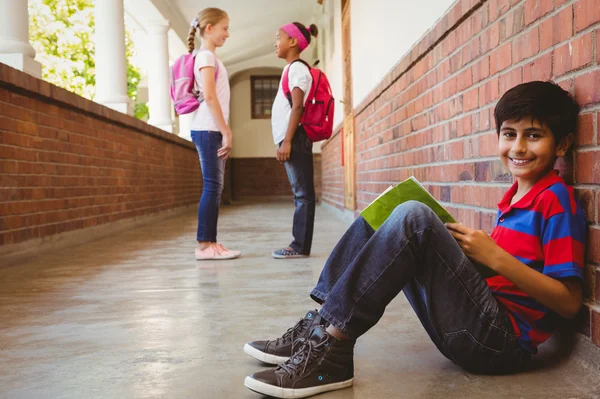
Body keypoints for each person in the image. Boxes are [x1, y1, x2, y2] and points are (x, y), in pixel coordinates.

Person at [243, 81, 586, 398]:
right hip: (475, 327)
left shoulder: (556, 200)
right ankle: (317, 330)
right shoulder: (513, 198)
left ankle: (332, 352)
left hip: (499, 344)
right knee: (392, 210)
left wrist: (495, 257)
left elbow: (569, 302)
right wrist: (473, 254)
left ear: (564, 143)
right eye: (509, 134)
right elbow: (501, 277)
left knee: (413, 218)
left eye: (534, 135)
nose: (519, 147)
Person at [188, 8, 240, 260]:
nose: (227, 34)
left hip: (210, 128)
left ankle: (210, 243)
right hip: (209, 129)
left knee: (214, 187)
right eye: (224, 28)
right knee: (212, 187)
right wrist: (226, 131)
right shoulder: (206, 57)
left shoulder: (208, 57)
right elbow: (209, 96)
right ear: (209, 28)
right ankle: (204, 246)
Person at [270, 22, 319, 259]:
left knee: (303, 194)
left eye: (279, 37)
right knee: (300, 193)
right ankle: (299, 245)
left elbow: (297, 106)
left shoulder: (298, 69)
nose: (275, 42)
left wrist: (287, 141)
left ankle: (299, 246)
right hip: (292, 137)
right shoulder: (291, 69)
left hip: (296, 137)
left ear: (293, 41)